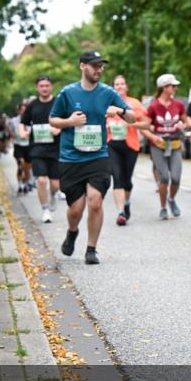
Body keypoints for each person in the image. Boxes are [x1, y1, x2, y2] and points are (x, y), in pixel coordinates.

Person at [49, 50, 134, 264]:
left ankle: (91, 249)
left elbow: (132, 118)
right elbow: (53, 120)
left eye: (101, 66)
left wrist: (120, 111)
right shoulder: (67, 93)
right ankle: (72, 231)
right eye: (95, 65)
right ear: (82, 66)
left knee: (95, 202)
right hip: (71, 158)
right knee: (75, 209)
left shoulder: (108, 92)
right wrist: (69, 122)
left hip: (98, 156)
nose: (99, 69)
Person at [146, 74, 191, 220]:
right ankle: (163, 207)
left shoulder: (178, 104)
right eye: (173, 86)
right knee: (165, 177)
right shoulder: (153, 106)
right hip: (158, 145)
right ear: (164, 88)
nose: (175, 88)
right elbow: (145, 127)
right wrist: (153, 136)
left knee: (176, 178)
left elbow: (188, 121)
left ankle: (171, 199)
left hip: (175, 144)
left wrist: (183, 125)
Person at [106, 74, 151, 226]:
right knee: (117, 177)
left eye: (122, 84)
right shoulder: (107, 103)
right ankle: (120, 213)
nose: (119, 86)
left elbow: (146, 124)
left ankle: (126, 203)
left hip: (130, 145)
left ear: (126, 87)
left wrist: (131, 124)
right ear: (113, 87)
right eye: (116, 84)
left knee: (127, 180)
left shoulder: (134, 104)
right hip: (112, 145)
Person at [20, 76, 62, 223]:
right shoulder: (32, 105)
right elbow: (23, 122)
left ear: (51, 86)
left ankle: (53, 195)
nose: (44, 88)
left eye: (47, 85)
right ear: (37, 88)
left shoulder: (58, 103)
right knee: (42, 180)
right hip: (37, 148)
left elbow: (68, 121)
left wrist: (59, 129)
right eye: (41, 86)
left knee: (55, 184)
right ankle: (45, 210)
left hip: (55, 149)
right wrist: (22, 131)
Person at [9, 102, 32, 194]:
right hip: (18, 145)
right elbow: (10, 131)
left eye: (25, 110)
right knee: (20, 164)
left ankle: (25, 184)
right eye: (21, 110)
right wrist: (13, 135)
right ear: (18, 111)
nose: (23, 112)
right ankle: (19, 185)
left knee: (27, 169)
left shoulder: (32, 120)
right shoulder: (13, 121)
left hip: (28, 146)